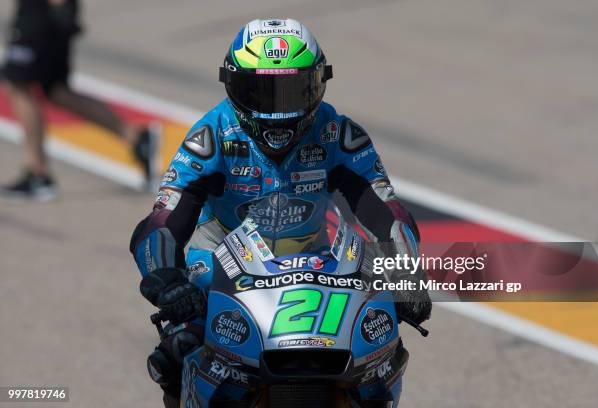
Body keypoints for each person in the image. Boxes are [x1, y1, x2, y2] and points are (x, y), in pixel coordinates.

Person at [130, 18, 431, 407]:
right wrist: (167, 280)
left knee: (379, 349)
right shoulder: (211, 136)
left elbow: (384, 209)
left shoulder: (336, 132)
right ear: (233, 85)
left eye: (292, 91)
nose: (277, 108)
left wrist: (405, 272)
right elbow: (164, 220)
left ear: (319, 83)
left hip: (320, 256)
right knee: (179, 344)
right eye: (261, 92)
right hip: (222, 253)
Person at [0, 0, 156, 200]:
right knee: (55, 90)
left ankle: (37, 173)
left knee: (19, 85)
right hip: (49, 12)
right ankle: (135, 137)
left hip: (42, 13)